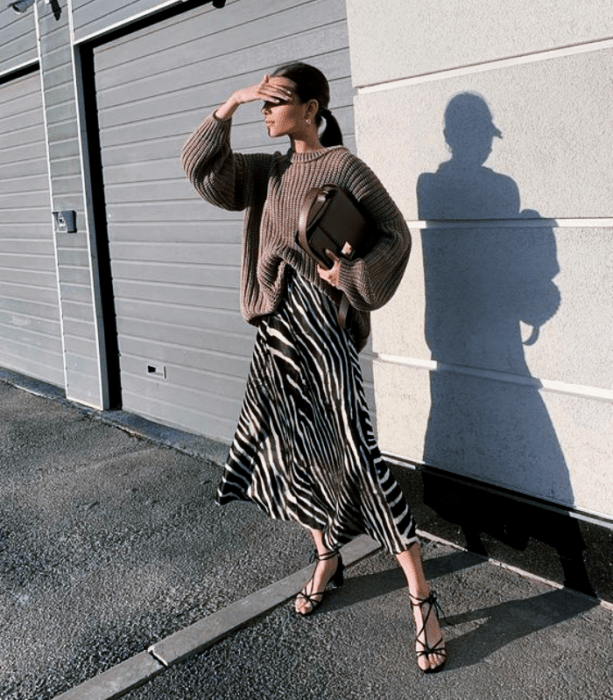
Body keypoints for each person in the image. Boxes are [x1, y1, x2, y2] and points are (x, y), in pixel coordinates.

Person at [181, 62, 446, 673]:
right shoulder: (267, 170)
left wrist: (348, 277)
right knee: (289, 450)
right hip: (274, 329)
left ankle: (422, 597)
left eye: (275, 102)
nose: (265, 112)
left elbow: (396, 237)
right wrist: (231, 101)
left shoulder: (343, 166)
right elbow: (201, 170)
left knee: (355, 451)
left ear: (312, 107)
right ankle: (327, 556)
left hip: (321, 326)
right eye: (263, 103)